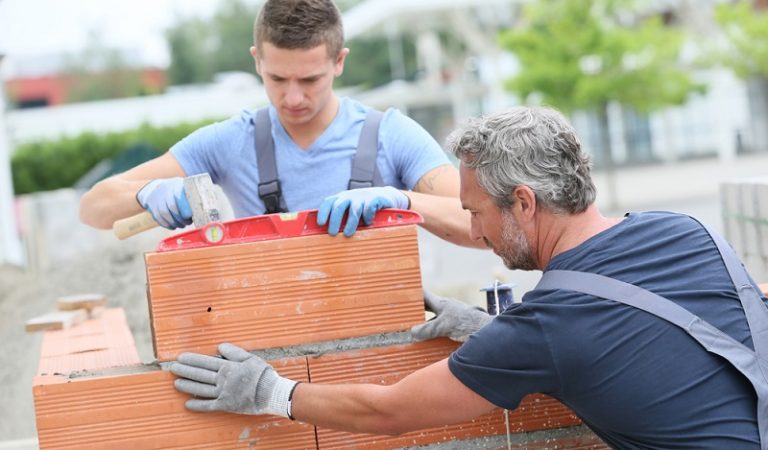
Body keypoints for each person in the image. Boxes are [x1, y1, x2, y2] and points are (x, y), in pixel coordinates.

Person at [170, 106, 766, 448]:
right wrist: (493, 333)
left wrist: (272, 391)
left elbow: (390, 413)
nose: (474, 233)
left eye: (476, 212)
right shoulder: (682, 230)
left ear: (525, 203)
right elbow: (644, 342)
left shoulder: (547, 328)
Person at [79, 0, 478, 247]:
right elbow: (93, 208)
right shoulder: (231, 142)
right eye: (277, 79)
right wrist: (149, 193)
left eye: (310, 80)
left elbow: (483, 227)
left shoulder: (393, 136)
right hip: (270, 350)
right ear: (257, 60)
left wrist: (403, 201)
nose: (292, 98)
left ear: (339, 62)